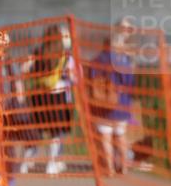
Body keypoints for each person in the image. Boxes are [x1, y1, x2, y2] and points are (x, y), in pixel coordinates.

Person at [22, 24, 76, 175]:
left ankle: (25, 163)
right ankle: (51, 164)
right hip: (58, 96)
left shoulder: (38, 52)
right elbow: (74, 76)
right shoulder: (65, 56)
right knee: (55, 133)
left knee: (37, 131)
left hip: (39, 96)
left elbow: (24, 68)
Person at [87, 22, 137, 176]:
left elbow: (90, 80)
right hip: (121, 105)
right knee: (120, 136)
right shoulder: (124, 62)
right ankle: (123, 167)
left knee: (105, 137)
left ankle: (108, 168)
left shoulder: (96, 60)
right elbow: (131, 83)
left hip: (102, 104)